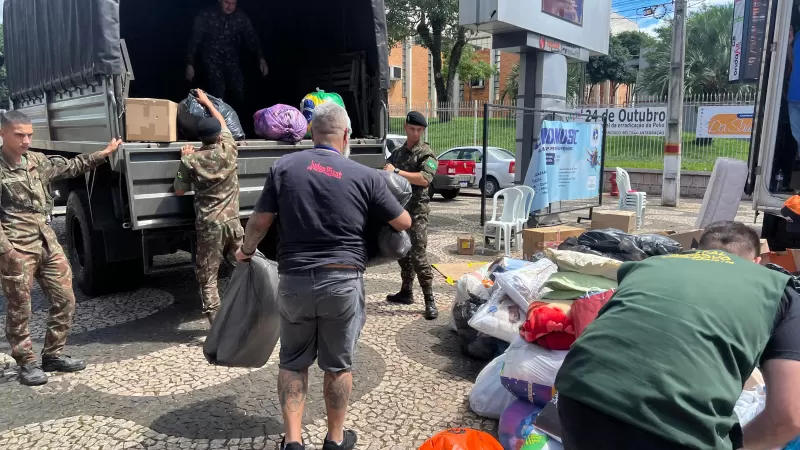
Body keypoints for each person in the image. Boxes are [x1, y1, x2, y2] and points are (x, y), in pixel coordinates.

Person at [235, 102, 411, 450]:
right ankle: (335, 439)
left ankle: (293, 441)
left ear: (310, 134)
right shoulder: (365, 176)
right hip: (343, 282)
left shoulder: (283, 168)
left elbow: (260, 221)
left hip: (295, 281)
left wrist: (246, 251)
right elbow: (403, 222)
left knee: (292, 362)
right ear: (346, 136)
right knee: (338, 366)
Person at [554, 221, 800, 450]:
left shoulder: (648, 266)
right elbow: (788, 418)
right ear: (756, 262)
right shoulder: (778, 289)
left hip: (580, 397)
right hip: (676, 427)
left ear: (697, 251)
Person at [0, 110, 121, 386]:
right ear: (2, 134)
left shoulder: (37, 161)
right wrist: (7, 251)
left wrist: (104, 153)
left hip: (46, 241)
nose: (26, 140)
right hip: (17, 247)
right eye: (19, 135)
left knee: (65, 299)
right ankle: (26, 363)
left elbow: (71, 167)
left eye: (29, 135)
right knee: (20, 308)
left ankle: (53, 355)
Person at [174, 89, 242, 325]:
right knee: (240, 268)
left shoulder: (192, 160)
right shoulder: (230, 150)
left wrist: (183, 160)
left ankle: (216, 322)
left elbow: (179, 190)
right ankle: (246, 310)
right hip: (233, 224)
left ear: (199, 138)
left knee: (208, 275)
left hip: (210, 226)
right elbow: (223, 123)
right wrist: (207, 103)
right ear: (219, 137)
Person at [384, 111, 439, 320]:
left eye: (419, 130)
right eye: (412, 129)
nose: (415, 133)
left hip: (417, 213)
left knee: (418, 256)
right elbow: (385, 170)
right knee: (402, 252)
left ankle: (429, 300)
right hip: (399, 211)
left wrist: (397, 172)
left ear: (423, 131)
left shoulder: (426, 154)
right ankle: (406, 291)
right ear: (406, 127)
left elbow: (424, 179)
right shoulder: (397, 153)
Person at [185, 0, 268, 111]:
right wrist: (190, 64)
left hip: (231, 59)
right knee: (218, 90)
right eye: (227, 3)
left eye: (233, 3)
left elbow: (251, 37)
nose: (230, 7)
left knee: (238, 89)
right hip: (211, 59)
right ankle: (217, 118)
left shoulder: (240, 16)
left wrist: (261, 58)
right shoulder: (207, 15)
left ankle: (237, 117)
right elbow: (194, 40)